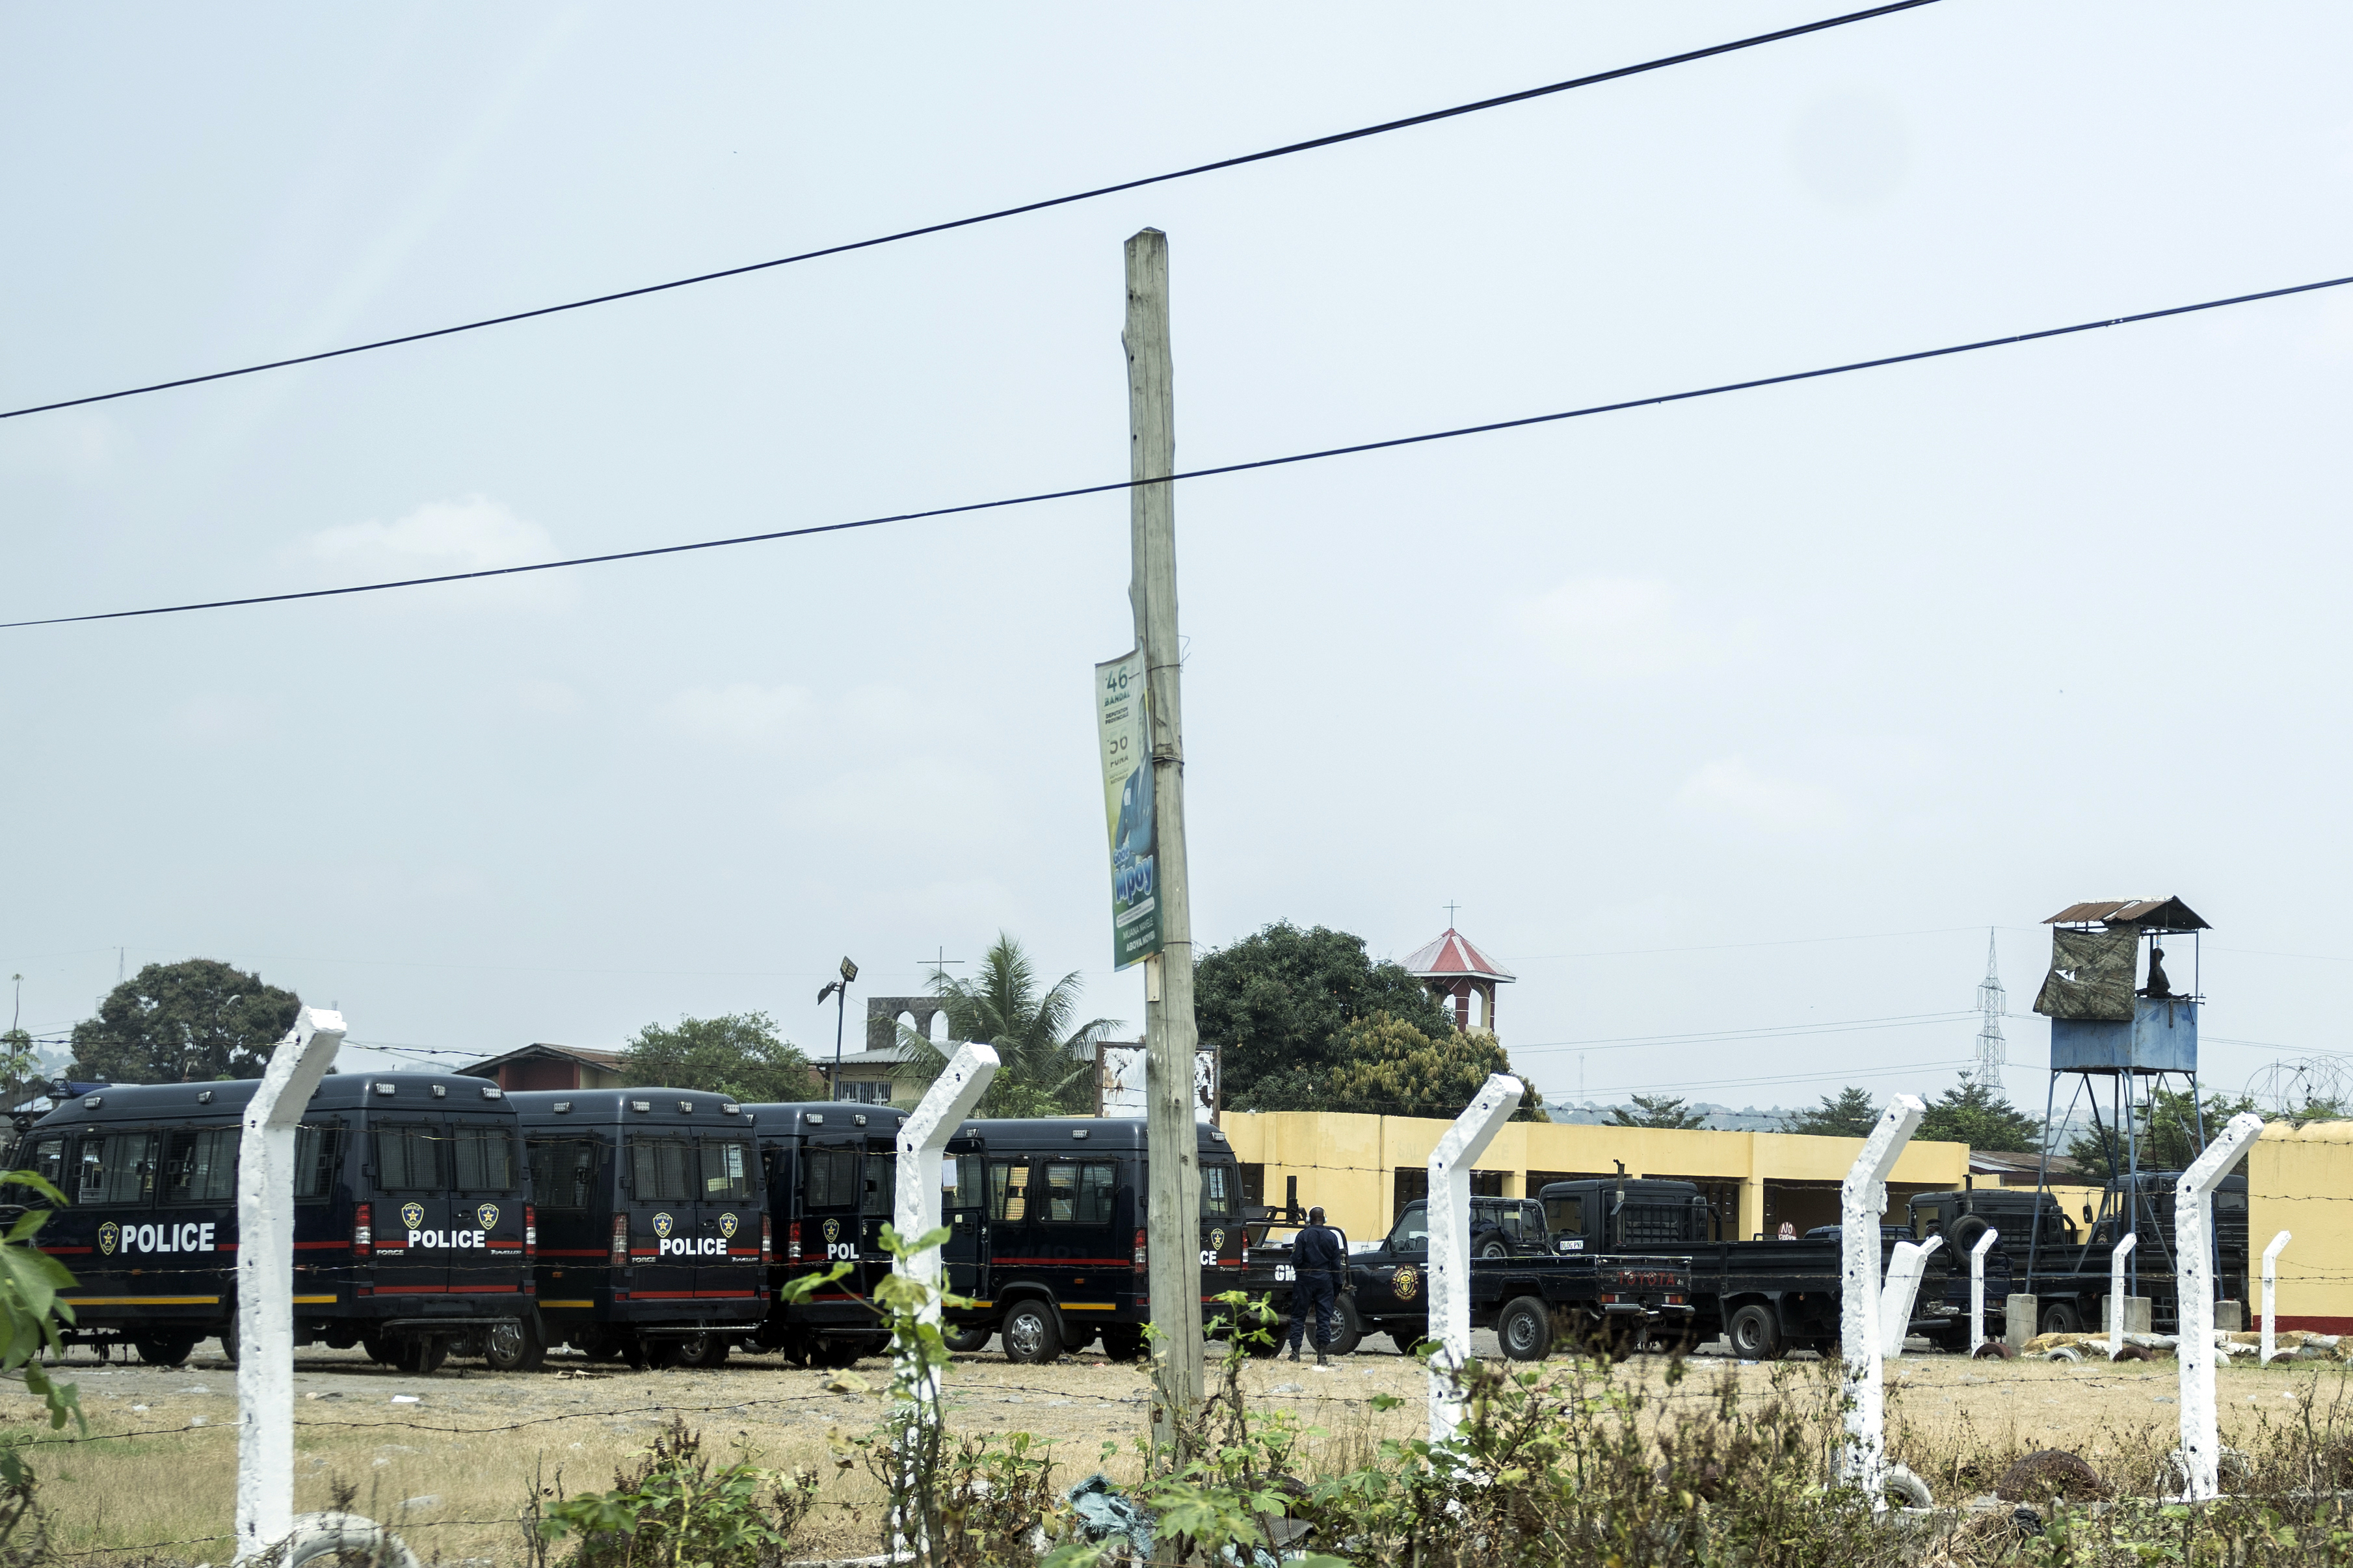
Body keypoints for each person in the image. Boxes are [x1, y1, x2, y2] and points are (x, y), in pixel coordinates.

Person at [1287, 1206, 1346, 1366]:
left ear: (1309, 1220)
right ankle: (1321, 1357)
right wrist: (1337, 1287)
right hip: (1325, 1281)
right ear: (1324, 1219)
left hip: (1305, 1280)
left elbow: (1296, 1259)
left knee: (1299, 1317)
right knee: (1324, 1319)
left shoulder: (1303, 1235)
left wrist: (1301, 1271)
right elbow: (1336, 1266)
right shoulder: (1332, 1237)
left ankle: (1295, 1354)